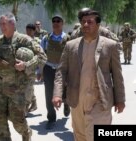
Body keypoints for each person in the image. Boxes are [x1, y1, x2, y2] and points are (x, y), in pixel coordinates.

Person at [52, 9, 125, 141]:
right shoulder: (71, 46)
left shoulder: (110, 46)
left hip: (100, 101)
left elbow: (117, 75)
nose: (85, 25)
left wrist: (120, 99)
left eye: (90, 22)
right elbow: (61, 71)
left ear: (98, 25)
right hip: (77, 101)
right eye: (83, 22)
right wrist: (57, 94)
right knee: (80, 136)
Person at [0, 12, 47, 141]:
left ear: (12, 24)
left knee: (17, 121)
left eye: (4, 24)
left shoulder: (24, 40)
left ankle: (26, 133)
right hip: (0, 87)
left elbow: (42, 57)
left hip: (17, 89)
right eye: (0, 24)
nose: (1, 26)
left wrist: (26, 65)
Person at [40, 15, 71, 129]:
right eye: (54, 21)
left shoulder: (68, 39)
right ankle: (51, 118)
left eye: (58, 21)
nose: (56, 23)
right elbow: (41, 54)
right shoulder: (46, 38)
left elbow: (72, 56)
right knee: (49, 94)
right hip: (48, 69)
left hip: (63, 70)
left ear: (63, 23)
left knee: (65, 92)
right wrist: (39, 71)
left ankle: (66, 103)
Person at [24, 23, 40, 114]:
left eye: (30, 30)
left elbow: (39, 55)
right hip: (23, 67)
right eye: (27, 30)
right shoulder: (23, 40)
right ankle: (34, 103)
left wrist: (40, 70)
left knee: (28, 88)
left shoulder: (36, 41)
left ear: (34, 31)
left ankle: (25, 109)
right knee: (28, 87)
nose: (28, 32)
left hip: (32, 68)